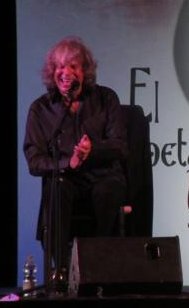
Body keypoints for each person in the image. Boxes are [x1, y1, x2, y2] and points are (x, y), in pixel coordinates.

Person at [23, 36, 129, 286]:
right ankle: (59, 272)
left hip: (102, 176)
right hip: (66, 178)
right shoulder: (41, 109)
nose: (65, 73)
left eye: (73, 66)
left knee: (108, 190)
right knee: (56, 188)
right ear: (52, 73)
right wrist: (65, 163)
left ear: (85, 71)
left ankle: (100, 269)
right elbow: (34, 160)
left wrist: (94, 150)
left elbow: (121, 146)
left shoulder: (106, 99)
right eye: (60, 67)